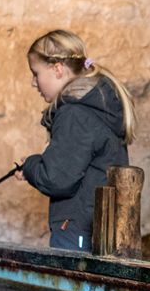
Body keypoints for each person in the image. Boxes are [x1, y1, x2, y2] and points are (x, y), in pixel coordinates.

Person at [16, 29, 136, 251]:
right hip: (95, 227)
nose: (34, 83)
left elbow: (57, 179)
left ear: (57, 69)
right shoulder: (95, 108)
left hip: (78, 230)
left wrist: (31, 165)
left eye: (36, 73)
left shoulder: (74, 114)